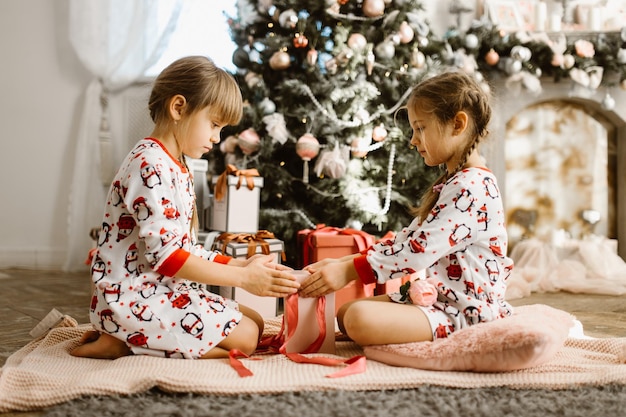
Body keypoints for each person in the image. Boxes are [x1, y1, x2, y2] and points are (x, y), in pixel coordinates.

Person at [71, 56, 300, 360]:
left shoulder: (177, 165)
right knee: (245, 340)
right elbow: (167, 257)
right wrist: (243, 279)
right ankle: (122, 341)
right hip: (131, 298)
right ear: (178, 108)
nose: (217, 139)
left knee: (256, 323)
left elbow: (184, 246)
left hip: (164, 290)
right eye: (215, 125)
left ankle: (128, 338)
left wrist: (237, 265)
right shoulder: (149, 164)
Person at [299, 71, 514, 346]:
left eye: (421, 128)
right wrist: (340, 263)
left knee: (358, 319)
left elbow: (418, 251)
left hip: (466, 311)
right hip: (442, 298)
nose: (413, 140)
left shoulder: (471, 187)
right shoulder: (456, 182)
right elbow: (407, 240)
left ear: (458, 124)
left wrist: (348, 272)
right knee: (346, 314)